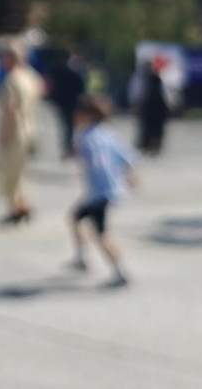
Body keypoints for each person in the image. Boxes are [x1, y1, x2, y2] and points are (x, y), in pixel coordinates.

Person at [67, 95, 137, 288]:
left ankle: (121, 270)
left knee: (102, 234)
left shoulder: (86, 137)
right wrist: (130, 177)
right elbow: (126, 157)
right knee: (75, 217)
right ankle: (82, 255)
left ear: (87, 115)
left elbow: (97, 163)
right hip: (110, 190)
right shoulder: (108, 133)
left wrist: (82, 159)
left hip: (98, 193)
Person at [0, 38, 42, 225]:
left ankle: (14, 207)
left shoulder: (12, 80)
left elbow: (10, 110)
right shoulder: (31, 76)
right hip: (29, 127)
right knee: (21, 171)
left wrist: (4, 135)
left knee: (10, 170)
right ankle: (22, 204)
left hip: (15, 129)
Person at [48, 50, 88, 159]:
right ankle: (70, 147)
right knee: (70, 127)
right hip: (71, 103)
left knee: (68, 127)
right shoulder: (75, 73)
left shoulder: (62, 71)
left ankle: (69, 147)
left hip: (66, 103)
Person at [132, 54, 172, 156]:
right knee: (146, 126)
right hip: (147, 105)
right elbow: (137, 91)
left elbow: (168, 93)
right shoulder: (142, 77)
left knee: (157, 128)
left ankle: (155, 146)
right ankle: (145, 145)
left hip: (159, 107)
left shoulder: (163, 77)